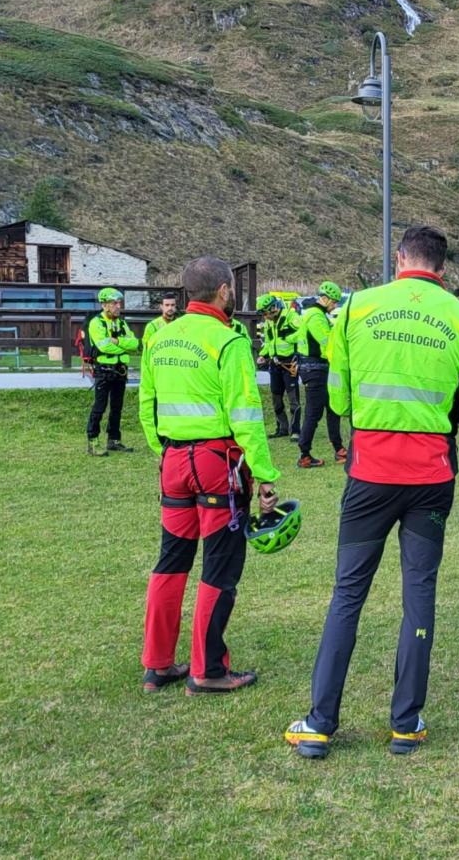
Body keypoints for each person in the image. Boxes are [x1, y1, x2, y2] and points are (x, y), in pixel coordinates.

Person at [284, 226, 459, 760]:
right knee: (418, 595)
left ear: (400, 259)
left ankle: (319, 723)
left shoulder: (355, 307)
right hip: (430, 477)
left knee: (347, 595)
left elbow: (336, 399)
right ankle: (406, 723)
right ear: (442, 270)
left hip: (370, 473)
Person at [138, 256, 280, 695]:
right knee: (219, 565)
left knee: (171, 563)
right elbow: (245, 416)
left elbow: (147, 405)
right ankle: (208, 670)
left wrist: (164, 451)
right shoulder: (228, 341)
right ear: (223, 290)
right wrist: (266, 474)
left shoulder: (161, 338)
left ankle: (157, 664)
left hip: (174, 462)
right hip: (217, 465)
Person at [296, 281, 346, 469]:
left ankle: (339, 448)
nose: (334, 306)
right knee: (314, 413)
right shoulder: (315, 316)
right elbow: (327, 344)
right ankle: (305, 454)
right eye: (333, 302)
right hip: (315, 369)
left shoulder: (315, 314)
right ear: (324, 299)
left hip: (319, 369)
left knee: (333, 408)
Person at [86, 287, 140, 456]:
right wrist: (123, 347)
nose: (118, 306)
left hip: (121, 371)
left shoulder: (122, 323)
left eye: (119, 303)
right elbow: (103, 346)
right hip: (104, 370)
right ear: (104, 305)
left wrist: (116, 341)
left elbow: (135, 344)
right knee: (99, 407)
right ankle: (93, 441)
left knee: (117, 407)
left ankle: (114, 440)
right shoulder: (96, 323)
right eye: (114, 303)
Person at [255, 294, 302, 439]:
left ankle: (295, 430)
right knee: (276, 396)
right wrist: (263, 355)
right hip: (275, 364)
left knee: (293, 398)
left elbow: (302, 333)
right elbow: (269, 342)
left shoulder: (291, 316)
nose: (264, 317)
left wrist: (288, 336)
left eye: (265, 313)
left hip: (290, 362)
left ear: (273, 308)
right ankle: (282, 428)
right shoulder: (269, 322)